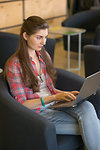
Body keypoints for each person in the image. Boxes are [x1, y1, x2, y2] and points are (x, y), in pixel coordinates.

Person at [4, 16, 100, 150]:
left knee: (87, 106)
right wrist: (54, 97)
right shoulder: (14, 65)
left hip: (54, 104)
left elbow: (48, 88)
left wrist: (64, 94)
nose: (44, 42)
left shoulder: (43, 55)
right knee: (92, 126)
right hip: (39, 113)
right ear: (25, 36)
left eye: (45, 37)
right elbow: (22, 104)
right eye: (39, 37)